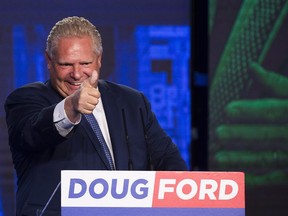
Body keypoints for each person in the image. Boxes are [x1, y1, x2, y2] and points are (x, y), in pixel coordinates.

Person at [5, 16, 188, 215]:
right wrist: (71, 107)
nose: (76, 74)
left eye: (85, 63)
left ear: (99, 59)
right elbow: (32, 133)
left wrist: (181, 201)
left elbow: (168, 159)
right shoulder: (25, 99)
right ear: (49, 61)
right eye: (66, 64)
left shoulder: (132, 102)